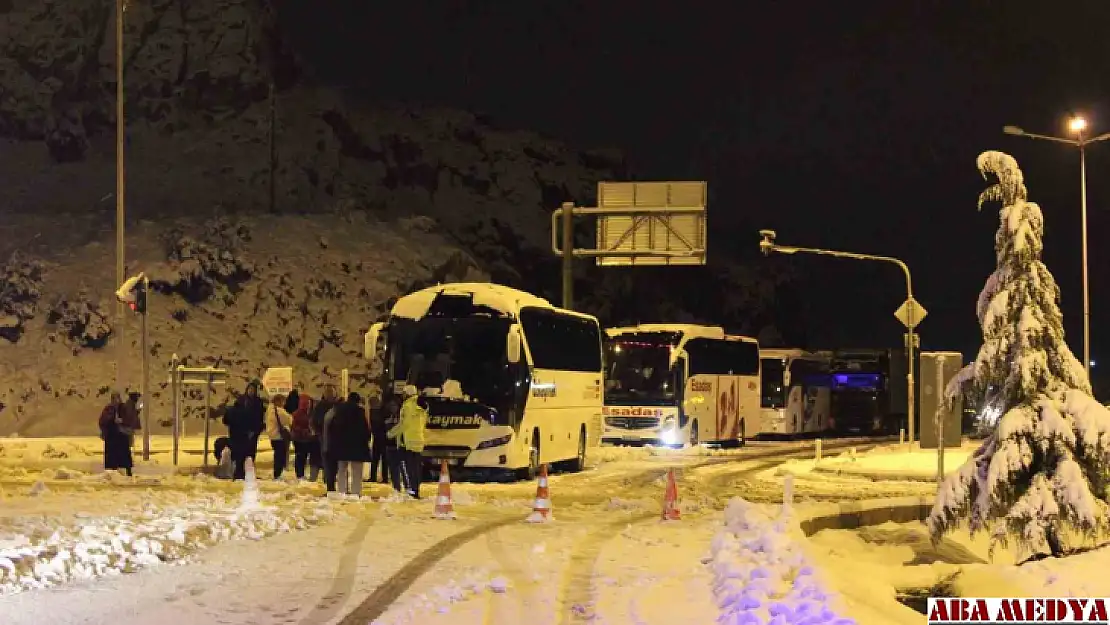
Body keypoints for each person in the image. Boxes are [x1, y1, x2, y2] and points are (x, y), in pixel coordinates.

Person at [389, 385, 428, 499]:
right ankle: (416, 490)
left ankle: (412, 490)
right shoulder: (420, 405)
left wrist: (391, 433)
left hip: (409, 441)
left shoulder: (407, 406)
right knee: (416, 468)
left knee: (409, 468)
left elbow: (404, 424)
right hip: (419, 439)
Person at [329, 392, 371, 496]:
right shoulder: (360, 412)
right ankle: (355, 492)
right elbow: (364, 429)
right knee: (356, 470)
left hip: (342, 445)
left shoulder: (340, 411)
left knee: (342, 469)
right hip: (357, 445)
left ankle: (342, 490)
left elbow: (334, 427)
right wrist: (367, 440)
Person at [224, 380, 264, 480]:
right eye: (250, 389)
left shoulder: (258, 402)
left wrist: (255, 430)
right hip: (242, 433)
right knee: (241, 453)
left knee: (250, 452)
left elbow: (259, 417)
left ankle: (246, 471)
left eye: (253, 390)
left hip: (252, 431)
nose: (251, 391)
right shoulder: (242, 401)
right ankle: (241, 472)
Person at [99, 391, 138, 476]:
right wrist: (111, 420)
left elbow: (129, 419)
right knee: (111, 456)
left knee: (124, 455)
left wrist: (123, 421)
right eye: (114, 398)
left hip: (122, 435)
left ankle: (128, 471)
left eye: (117, 398)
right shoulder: (108, 408)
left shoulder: (123, 408)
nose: (116, 400)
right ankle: (112, 472)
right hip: (111, 435)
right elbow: (103, 420)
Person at [290, 392, 320, 480]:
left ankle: (302, 474)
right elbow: (294, 426)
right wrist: (304, 431)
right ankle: (300, 474)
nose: (308, 404)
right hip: (300, 439)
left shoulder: (311, 413)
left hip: (308, 439)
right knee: (300, 457)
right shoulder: (297, 414)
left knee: (305, 457)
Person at [264, 393, 294, 479]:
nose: (284, 403)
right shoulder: (279, 411)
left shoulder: (269, 410)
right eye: (282, 401)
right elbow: (289, 419)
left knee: (277, 454)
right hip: (279, 436)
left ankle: (277, 472)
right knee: (280, 455)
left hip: (273, 436)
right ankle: (278, 473)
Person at [368, 390, 390, 484]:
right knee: (380, 459)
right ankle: (382, 477)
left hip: (380, 437)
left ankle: (376, 477)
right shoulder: (382, 410)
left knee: (378, 458)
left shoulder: (375, 412)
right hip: (381, 437)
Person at [382, 396, 403, 492]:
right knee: (393, 469)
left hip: (398, 446)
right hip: (389, 446)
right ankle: (396, 487)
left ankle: (406, 487)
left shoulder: (402, 417)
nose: (392, 407)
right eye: (391, 406)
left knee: (401, 468)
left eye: (394, 405)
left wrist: (389, 433)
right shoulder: (389, 417)